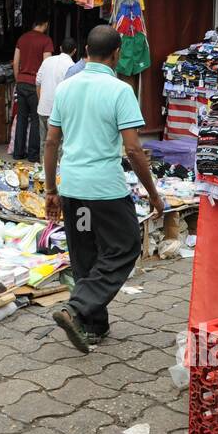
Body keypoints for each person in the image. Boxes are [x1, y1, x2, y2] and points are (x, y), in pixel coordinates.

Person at [44, 24, 162, 354]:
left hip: (74, 190)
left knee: (86, 255)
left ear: (84, 51)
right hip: (105, 192)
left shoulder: (66, 88)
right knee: (124, 247)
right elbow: (134, 150)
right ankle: (76, 308)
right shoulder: (120, 90)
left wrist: (50, 190)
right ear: (116, 55)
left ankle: (94, 326)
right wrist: (153, 193)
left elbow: (52, 141)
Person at [12, 17, 54, 161]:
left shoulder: (22, 38)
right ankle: (33, 155)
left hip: (22, 82)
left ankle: (18, 153)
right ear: (45, 24)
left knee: (22, 118)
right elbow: (46, 64)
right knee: (36, 119)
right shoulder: (46, 40)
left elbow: (16, 62)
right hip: (35, 84)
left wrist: (19, 79)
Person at [36, 37, 77, 142]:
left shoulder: (47, 61)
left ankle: (43, 159)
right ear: (74, 51)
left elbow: (38, 82)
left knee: (44, 142)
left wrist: (41, 101)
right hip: (58, 114)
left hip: (42, 109)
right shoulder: (72, 67)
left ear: (60, 48)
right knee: (57, 145)